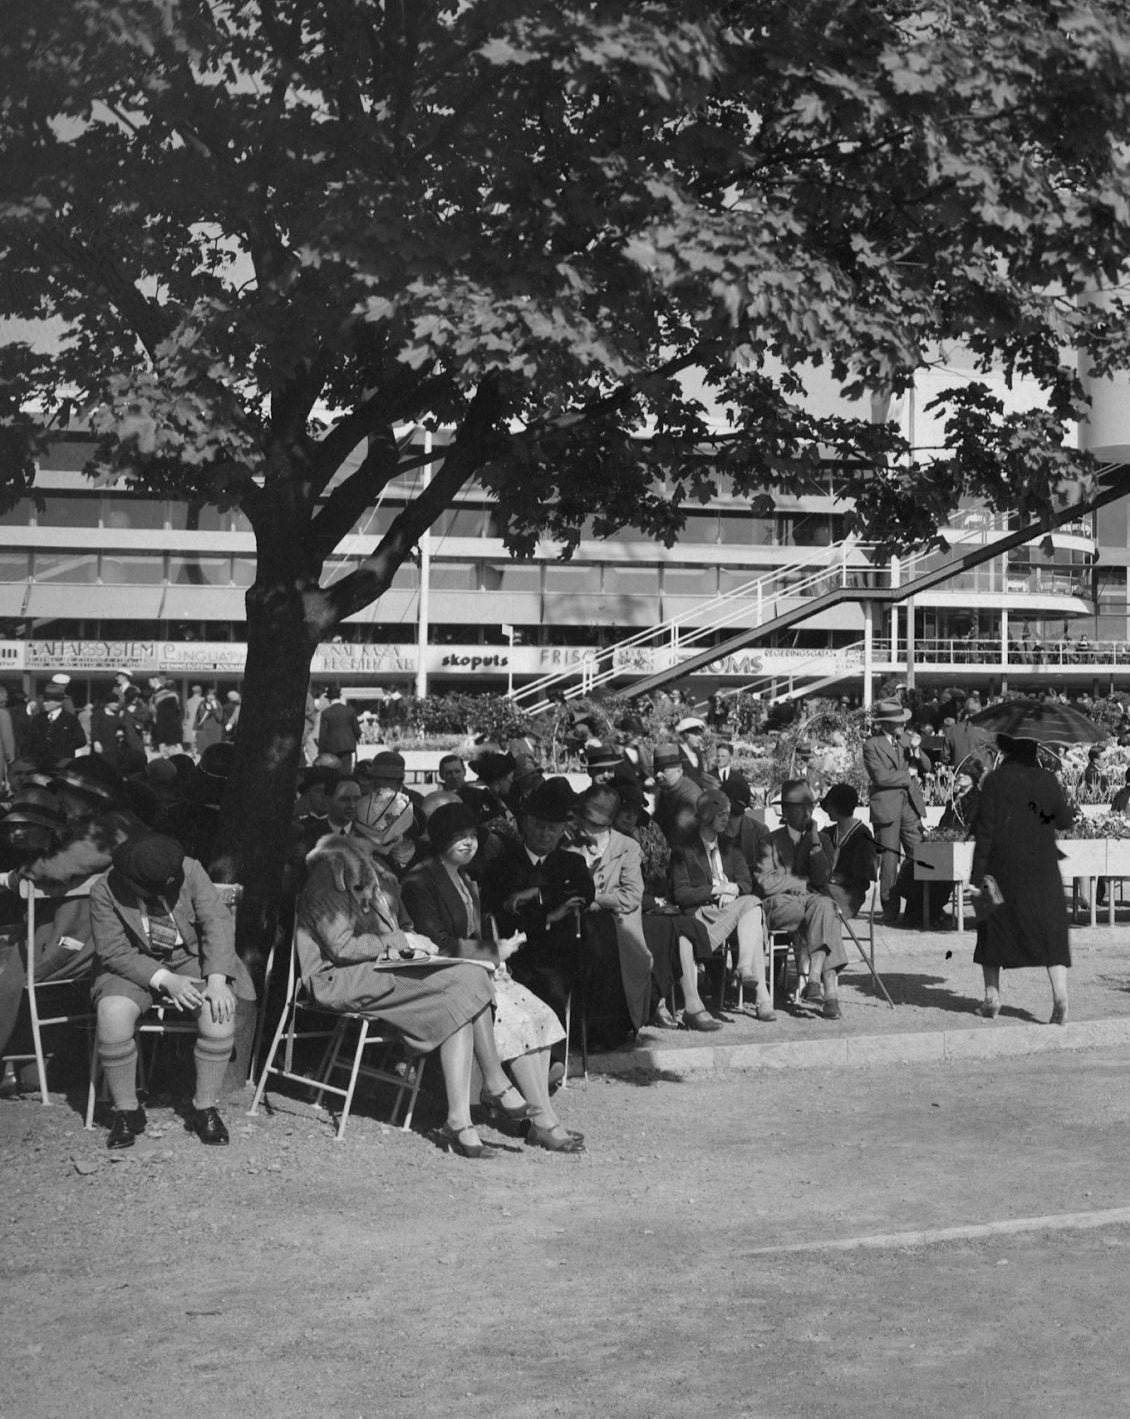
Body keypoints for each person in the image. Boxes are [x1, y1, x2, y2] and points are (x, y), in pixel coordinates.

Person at [298, 829, 516, 1159]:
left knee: (470, 977)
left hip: (377, 969)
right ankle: (493, 1085)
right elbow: (341, 948)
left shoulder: (377, 870)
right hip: (337, 978)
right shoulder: (331, 869)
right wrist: (403, 944)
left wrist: (413, 946)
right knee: (465, 983)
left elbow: (398, 930)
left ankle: (463, 1116)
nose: (401, 839)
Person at [401, 804, 582, 1153]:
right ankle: (542, 1122)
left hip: (476, 970)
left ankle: (542, 1117)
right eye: (458, 838)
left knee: (538, 1016)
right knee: (514, 1021)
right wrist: (493, 950)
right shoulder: (420, 881)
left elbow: (474, 932)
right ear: (440, 841)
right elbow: (436, 942)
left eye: (471, 836)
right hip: (443, 976)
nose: (468, 844)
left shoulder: (467, 879)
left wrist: (496, 956)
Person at [89, 833, 256, 1149]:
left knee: (217, 1011)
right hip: (133, 964)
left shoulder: (189, 869)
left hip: (188, 958)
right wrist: (165, 979)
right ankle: (127, 1110)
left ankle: (203, 1107)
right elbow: (113, 952)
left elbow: (217, 923)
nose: (167, 887)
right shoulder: (105, 889)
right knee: (112, 1013)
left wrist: (217, 981)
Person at [970, 735, 1073, 1023]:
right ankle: (1059, 996)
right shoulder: (1047, 780)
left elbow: (985, 831)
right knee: (1050, 931)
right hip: (1042, 867)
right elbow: (1064, 820)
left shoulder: (995, 781)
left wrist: (976, 876)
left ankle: (992, 997)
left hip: (1002, 867)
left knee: (992, 927)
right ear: (1035, 750)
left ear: (1005, 750)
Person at [668, 788, 777, 1023]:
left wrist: (734, 889)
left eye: (727, 814)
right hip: (700, 914)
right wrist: (718, 889)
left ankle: (745, 967)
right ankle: (762, 999)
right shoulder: (684, 848)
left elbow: (746, 882)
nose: (726, 819)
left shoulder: (731, 845)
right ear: (706, 816)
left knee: (752, 906)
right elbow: (681, 893)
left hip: (729, 909)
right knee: (753, 909)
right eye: (721, 814)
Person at [756, 780, 847, 1018]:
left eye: (810, 806)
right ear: (785, 811)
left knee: (826, 908)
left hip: (813, 906)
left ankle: (816, 982)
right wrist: (800, 883)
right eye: (799, 807)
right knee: (826, 913)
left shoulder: (821, 840)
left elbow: (823, 876)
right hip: (781, 907)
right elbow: (765, 882)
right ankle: (829, 994)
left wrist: (815, 840)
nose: (807, 811)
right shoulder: (770, 840)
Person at [862, 698, 930, 923]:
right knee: (889, 861)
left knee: (919, 854)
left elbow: (928, 766)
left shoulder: (908, 740)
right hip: (886, 807)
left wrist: (917, 751)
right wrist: (908, 775)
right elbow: (880, 777)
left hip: (909, 805)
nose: (903, 724)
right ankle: (890, 910)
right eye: (898, 721)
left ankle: (917, 907)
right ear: (886, 724)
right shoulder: (872, 744)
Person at [819, 784, 877, 919]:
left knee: (815, 900)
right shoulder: (828, 833)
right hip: (826, 888)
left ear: (838, 807)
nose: (827, 810)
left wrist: (835, 879)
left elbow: (864, 876)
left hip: (849, 895)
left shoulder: (863, 835)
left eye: (830, 805)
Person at [653, 743, 703, 845]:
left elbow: (678, 833)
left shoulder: (690, 794)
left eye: (663, 770)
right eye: (656, 770)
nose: (657, 775)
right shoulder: (666, 790)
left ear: (679, 771)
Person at [317, 685, 360, 770]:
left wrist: (320, 751)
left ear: (329, 699)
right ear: (339, 697)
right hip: (347, 746)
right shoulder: (350, 711)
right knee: (346, 772)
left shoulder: (326, 713)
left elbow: (323, 734)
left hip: (331, 748)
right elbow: (357, 730)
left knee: (333, 772)